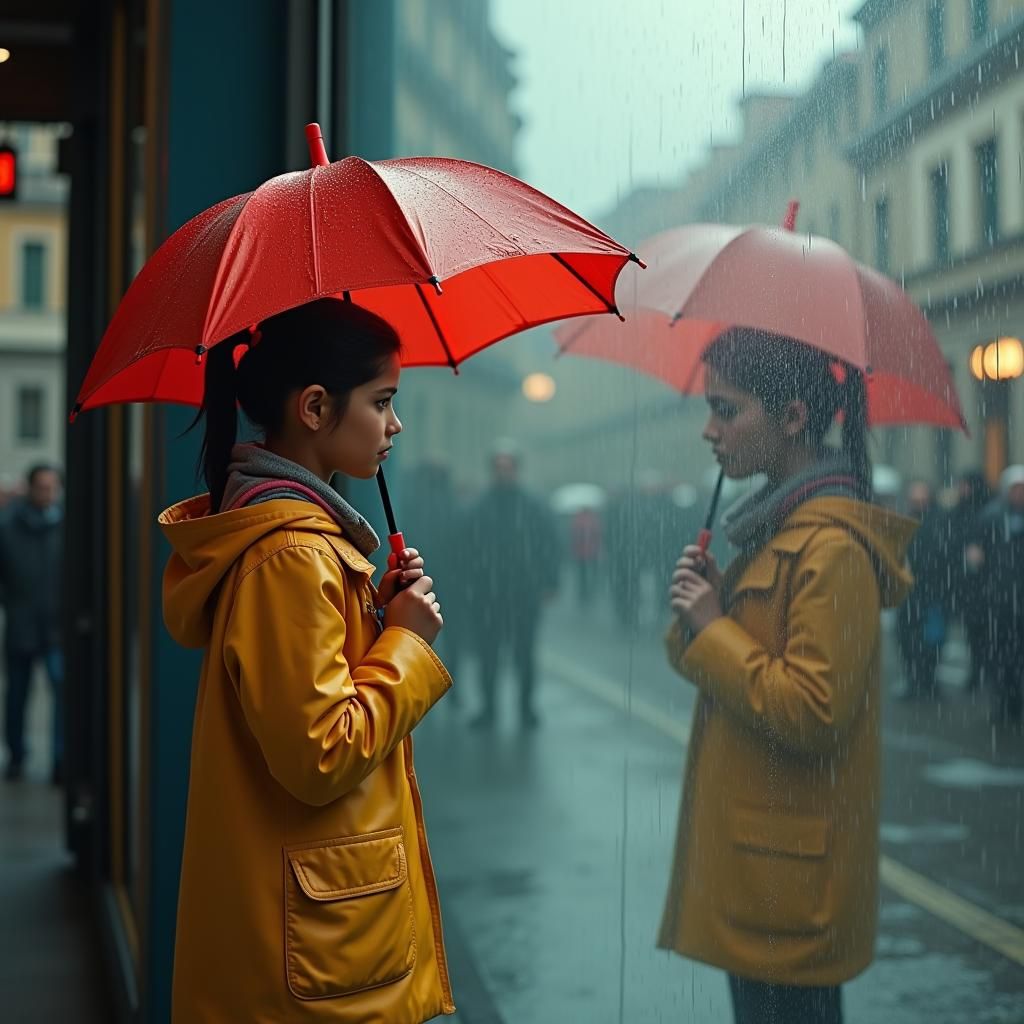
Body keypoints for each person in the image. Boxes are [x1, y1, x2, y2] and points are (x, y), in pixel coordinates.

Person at [159, 299, 454, 1023]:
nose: (395, 425)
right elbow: (320, 752)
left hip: (314, 939)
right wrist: (407, 645)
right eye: (383, 402)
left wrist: (378, 617)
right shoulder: (291, 554)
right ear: (316, 407)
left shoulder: (295, 541)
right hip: (316, 962)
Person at [660, 328, 915, 1024]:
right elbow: (709, 666)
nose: (710, 431)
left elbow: (813, 713)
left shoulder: (829, 547)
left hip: (788, 882)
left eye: (727, 409)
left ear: (794, 417)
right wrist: (704, 612)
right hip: (762, 870)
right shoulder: (776, 527)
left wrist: (713, 628)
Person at [465, 442, 560, 729]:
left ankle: (526, 708)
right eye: (499, 467)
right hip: (489, 596)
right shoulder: (481, 508)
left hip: (523, 594)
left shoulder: (531, 507)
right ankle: (489, 708)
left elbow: (549, 546)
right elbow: (467, 550)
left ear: (516, 470)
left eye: (508, 467)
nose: (504, 472)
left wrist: (549, 581)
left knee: (524, 655)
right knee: (489, 655)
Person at [0, 464, 64, 783]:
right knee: (17, 696)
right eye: (42, 487)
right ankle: (16, 755)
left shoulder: (67, 524)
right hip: (22, 625)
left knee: (61, 691)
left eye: (52, 487)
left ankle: (60, 759)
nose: (48, 493)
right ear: (30, 488)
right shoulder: (8, 526)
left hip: (56, 628)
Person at [965, 464, 1024, 728]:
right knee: (1001, 654)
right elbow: (976, 554)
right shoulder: (991, 517)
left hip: (1017, 599)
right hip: (998, 599)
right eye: (1016, 489)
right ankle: (1004, 702)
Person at [895, 480, 948, 700]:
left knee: (932, 640)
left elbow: (946, 555)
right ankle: (914, 679)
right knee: (907, 638)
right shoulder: (904, 521)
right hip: (909, 591)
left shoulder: (940, 521)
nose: (918, 501)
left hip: (933, 591)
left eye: (921, 496)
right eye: (914, 497)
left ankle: (928, 680)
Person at [946, 471, 990, 691]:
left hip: (987, 584)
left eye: (965, 485)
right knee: (973, 632)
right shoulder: (957, 512)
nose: (962, 489)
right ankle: (977, 672)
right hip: (966, 584)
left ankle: (986, 673)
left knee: (987, 633)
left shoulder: (987, 511)